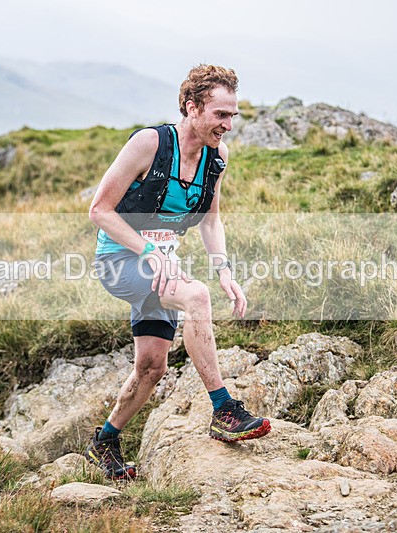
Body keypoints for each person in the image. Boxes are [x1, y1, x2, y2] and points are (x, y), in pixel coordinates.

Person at [86, 64, 271, 480]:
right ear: (191, 107)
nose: (227, 125)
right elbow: (99, 210)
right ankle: (223, 410)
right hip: (120, 262)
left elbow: (209, 220)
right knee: (195, 296)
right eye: (220, 115)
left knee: (152, 366)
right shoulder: (149, 144)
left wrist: (223, 268)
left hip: (160, 265)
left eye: (232, 116)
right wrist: (149, 249)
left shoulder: (216, 158)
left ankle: (104, 440)